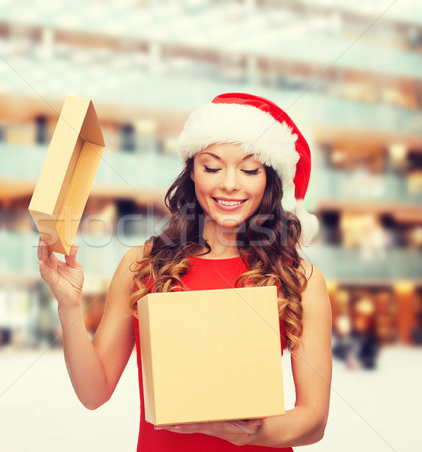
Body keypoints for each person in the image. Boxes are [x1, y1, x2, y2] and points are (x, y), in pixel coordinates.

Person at [38, 93, 332, 451]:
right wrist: (69, 306)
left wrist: (248, 433)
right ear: (192, 172)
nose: (230, 184)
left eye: (250, 170)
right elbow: (93, 393)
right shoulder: (142, 265)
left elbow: (314, 419)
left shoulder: (299, 278)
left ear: (269, 179)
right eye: (212, 167)